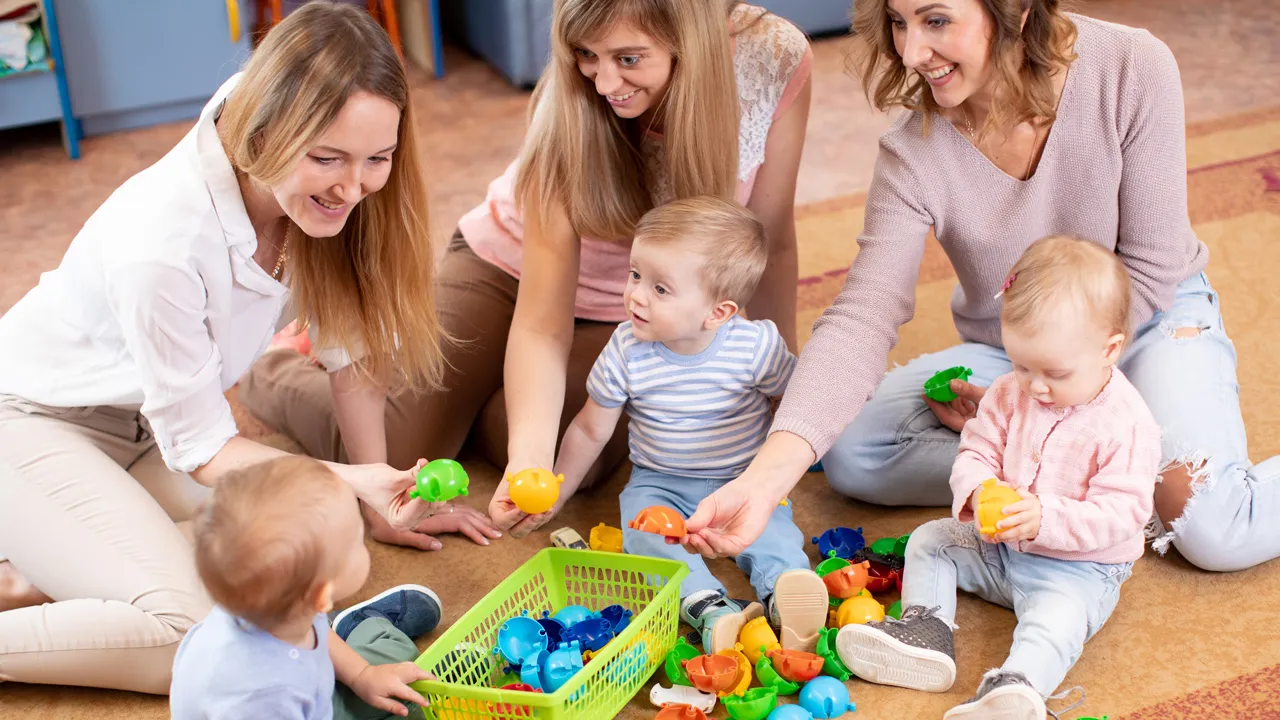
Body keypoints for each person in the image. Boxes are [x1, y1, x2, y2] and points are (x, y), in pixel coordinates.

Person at [679, 0, 1279, 575]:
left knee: (1214, 528)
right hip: (1016, 351)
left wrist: (1050, 409)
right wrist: (761, 483)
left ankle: (1093, 476)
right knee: (856, 453)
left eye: (937, 20)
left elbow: (1150, 265)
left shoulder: (1131, 66)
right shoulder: (912, 153)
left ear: (1015, 10)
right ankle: (1098, 489)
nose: (913, 52)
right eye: (897, 22)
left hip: (1148, 319)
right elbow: (863, 316)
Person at [0, 3, 464, 694]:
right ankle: (43, 555)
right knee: (188, 637)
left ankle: (42, 564)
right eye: (327, 159)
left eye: (378, 159)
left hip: (146, 423)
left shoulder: (317, 187)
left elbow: (351, 358)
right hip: (33, 424)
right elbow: (205, 449)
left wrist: (375, 492)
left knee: (302, 537)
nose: (354, 187)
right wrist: (350, 478)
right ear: (264, 132)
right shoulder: (162, 241)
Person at [237, 0, 814, 541]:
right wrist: (527, 461)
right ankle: (279, 366)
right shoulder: (567, 108)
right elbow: (542, 323)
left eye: (627, 59)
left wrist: (780, 413)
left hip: (634, 311)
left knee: (568, 449)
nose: (604, 82)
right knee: (402, 444)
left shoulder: (773, 59)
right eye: (586, 55)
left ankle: (474, 400)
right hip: (501, 264)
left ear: (684, 40)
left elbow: (771, 245)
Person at [835, 236, 1160, 720]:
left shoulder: (1128, 424)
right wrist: (980, 487)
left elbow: (1123, 514)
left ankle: (1016, 688)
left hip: (1079, 569)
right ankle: (925, 631)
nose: (1036, 386)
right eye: (1021, 364)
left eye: (1055, 372)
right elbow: (976, 450)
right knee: (930, 542)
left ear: (1110, 349)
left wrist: (1045, 518)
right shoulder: (1011, 392)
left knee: (1054, 623)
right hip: (1001, 549)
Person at [547, 197, 828, 654]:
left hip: (744, 480)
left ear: (718, 313)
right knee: (644, 531)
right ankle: (706, 604)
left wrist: (805, 460)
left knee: (772, 530)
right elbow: (588, 430)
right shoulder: (625, 351)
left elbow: (793, 401)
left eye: (660, 289)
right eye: (635, 275)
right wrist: (558, 490)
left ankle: (787, 592)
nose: (635, 295)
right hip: (659, 484)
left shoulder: (755, 346)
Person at [171, 456, 443, 720]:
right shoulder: (262, 699)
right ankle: (365, 627)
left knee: (389, 681)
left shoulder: (275, 603)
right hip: (301, 701)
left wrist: (363, 675)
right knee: (406, 689)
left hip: (308, 686)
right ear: (321, 596)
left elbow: (312, 624)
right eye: (355, 540)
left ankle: (358, 631)